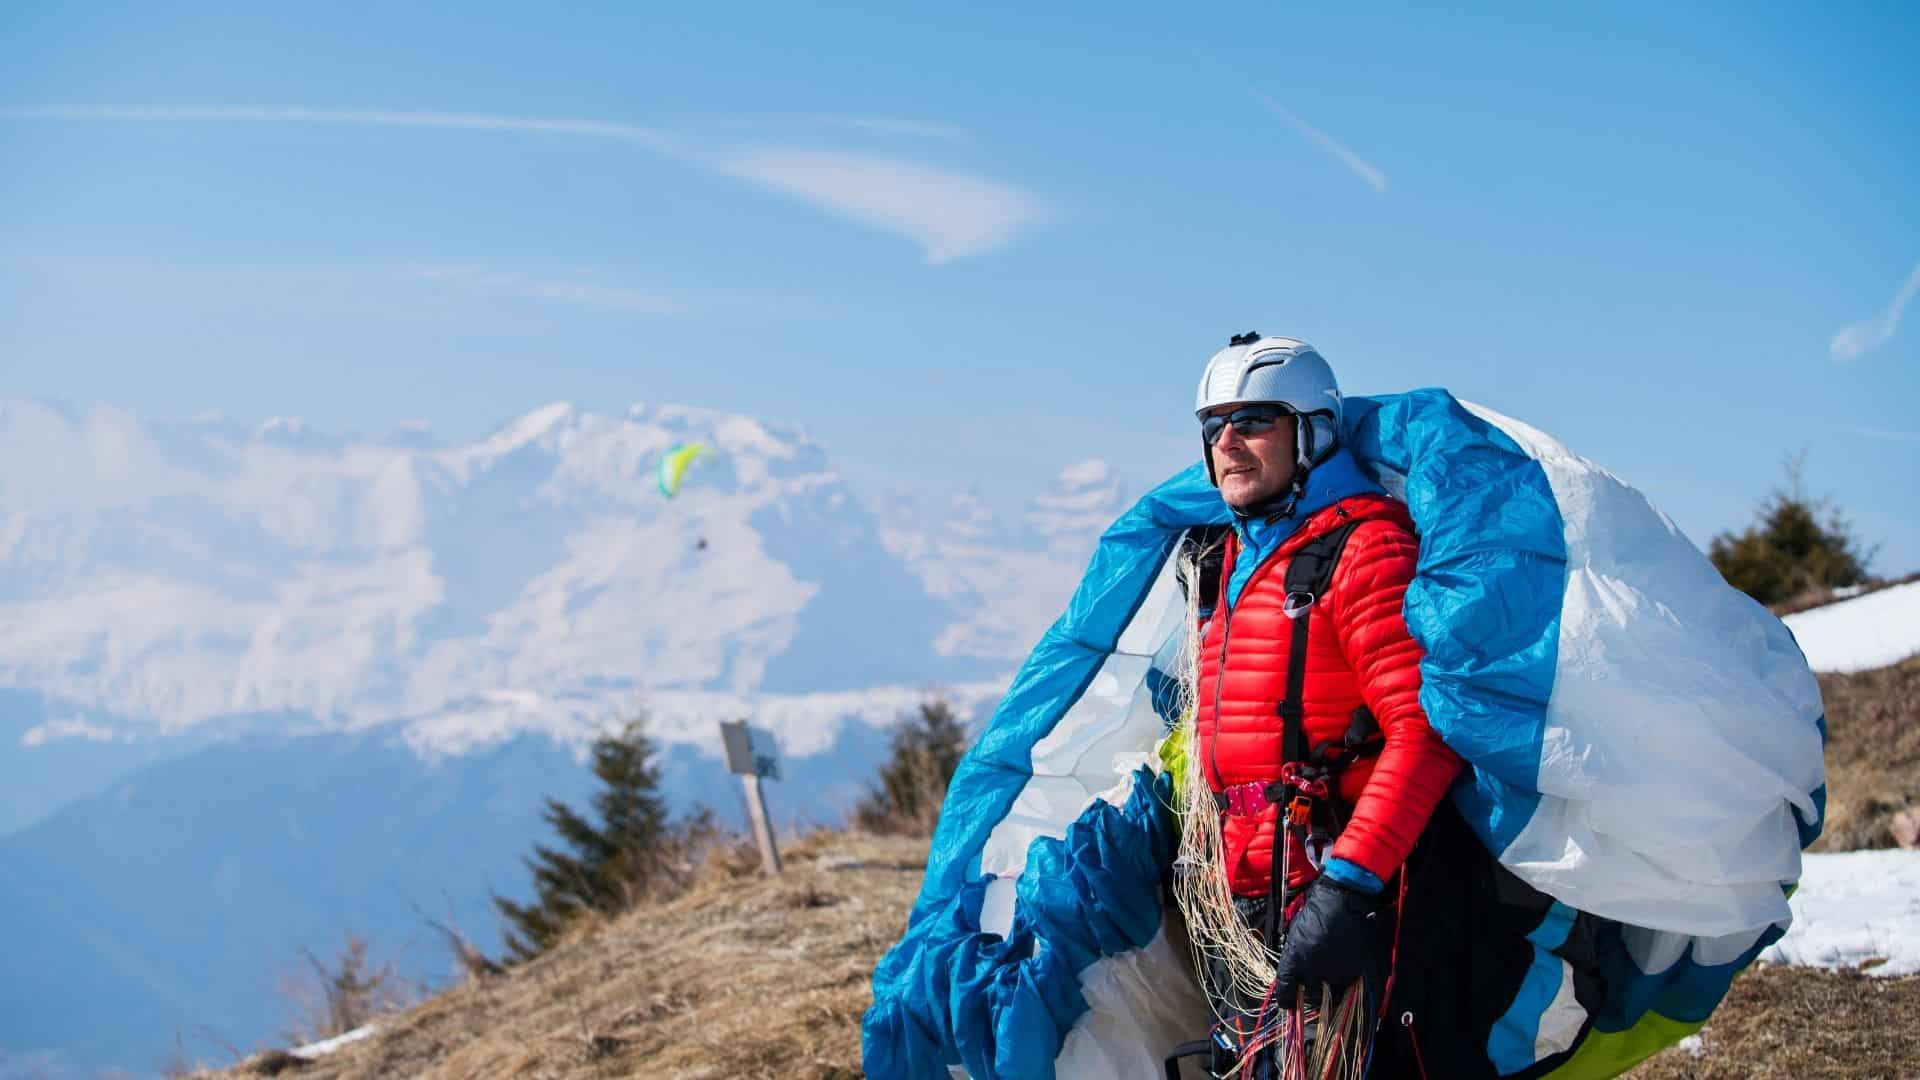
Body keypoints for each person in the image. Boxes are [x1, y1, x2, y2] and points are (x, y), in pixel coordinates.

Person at [1177, 332, 1600, 1078]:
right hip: (1247, 890)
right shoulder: (1228, 564)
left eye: (1253, 421)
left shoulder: (1363, 550)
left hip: (1344, 885)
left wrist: (1350, 884)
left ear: (1311, 431)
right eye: (1214, 427)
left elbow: (1423, 733)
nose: (1228, 443)